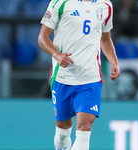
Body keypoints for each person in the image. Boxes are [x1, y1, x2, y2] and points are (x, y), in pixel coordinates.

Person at [38, 0, 120, 149]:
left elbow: (105, 38)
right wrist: (57, 55)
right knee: (63, 132)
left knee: (84, 129)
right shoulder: (60, 3)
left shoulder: (105, 5)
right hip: (63, 77)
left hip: (91, 78)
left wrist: (114, 62)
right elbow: (42, 38)